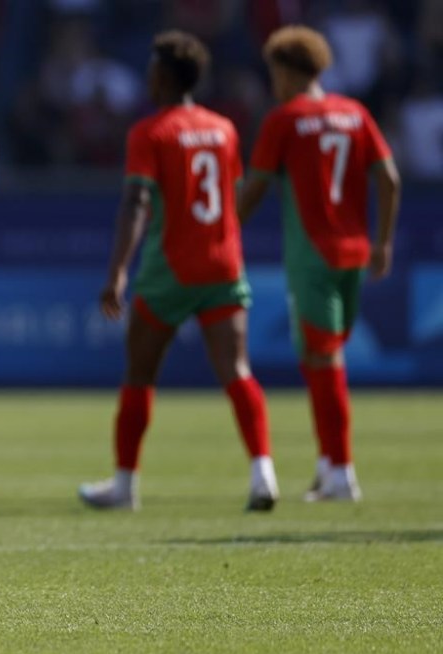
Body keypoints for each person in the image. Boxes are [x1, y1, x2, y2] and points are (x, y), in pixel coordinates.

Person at [78, 31, 279, 512]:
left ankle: (125, 485)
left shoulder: (150, 132)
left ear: (164, 76)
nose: (147, 76)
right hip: (223, 264)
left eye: (151, 68)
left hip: (171, 269)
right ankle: (263, 475)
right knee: (237, 371)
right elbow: (229, 195)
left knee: (140, 375)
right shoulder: (224, 128)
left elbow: (136, 201)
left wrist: (118, 272)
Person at [238, 25, 401, 501]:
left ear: (287, 72)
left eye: (273, 73)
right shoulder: (354, 113)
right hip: (353, 251)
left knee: (325, 358)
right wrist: (384, 242)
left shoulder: (283, 120)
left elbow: (255, 190)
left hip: (312, 255)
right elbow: (389, 178)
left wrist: (226, 226)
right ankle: (329, 463)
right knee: (317, 355)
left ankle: (343, 474)